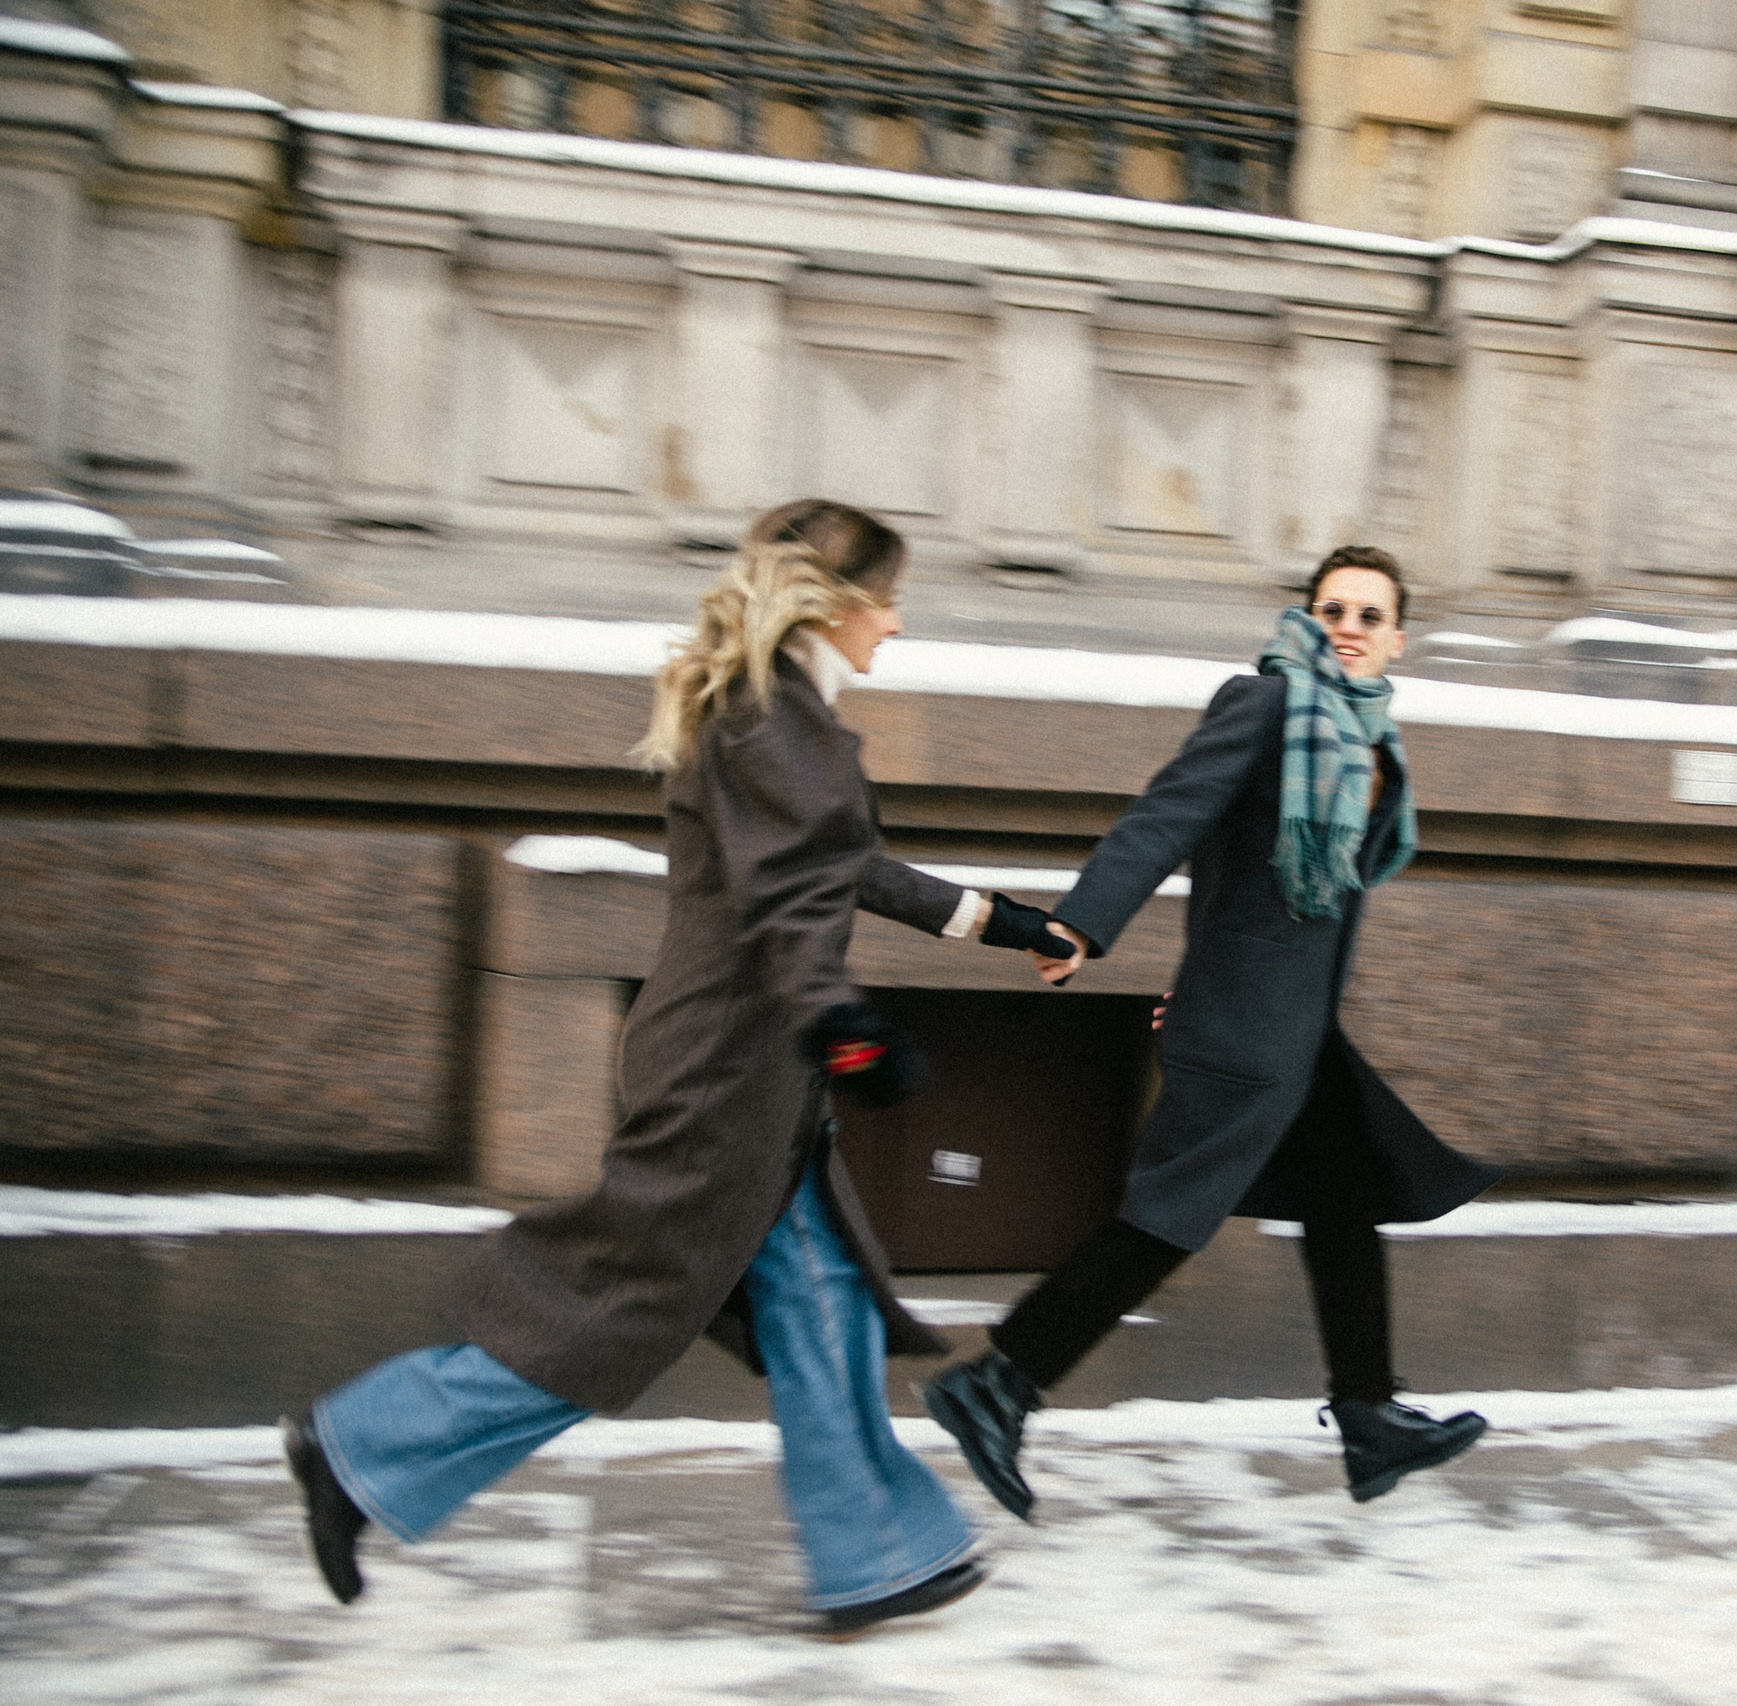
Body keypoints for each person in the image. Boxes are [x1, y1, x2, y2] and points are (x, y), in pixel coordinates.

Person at [281, 500, 1080, 1637]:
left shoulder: (776, 714)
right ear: (836, 602)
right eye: (890, 600)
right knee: (620, 1311)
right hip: (727, 1072)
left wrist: (1011, 925)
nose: (897, 626)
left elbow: (851, 870)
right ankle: (362, 1442)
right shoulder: (771, 723)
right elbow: (794, 907)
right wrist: (846, 1028)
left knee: (824, 1302)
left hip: (754, 1064)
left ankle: (874, 1551)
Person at [923, 545, 1503, 1520]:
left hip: (1293, 1028)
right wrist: (1083, 921)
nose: (1348, 627)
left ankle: (1367, 1413)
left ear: (1398, 637)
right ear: (1305, 618)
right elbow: (1166, 815)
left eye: (1369, 614)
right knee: (1165, 1219)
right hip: (1242, 1025)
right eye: (1332, 609)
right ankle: (996, 1381)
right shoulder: (1267, 704)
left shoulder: (1365, 737)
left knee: (1343, 1192)